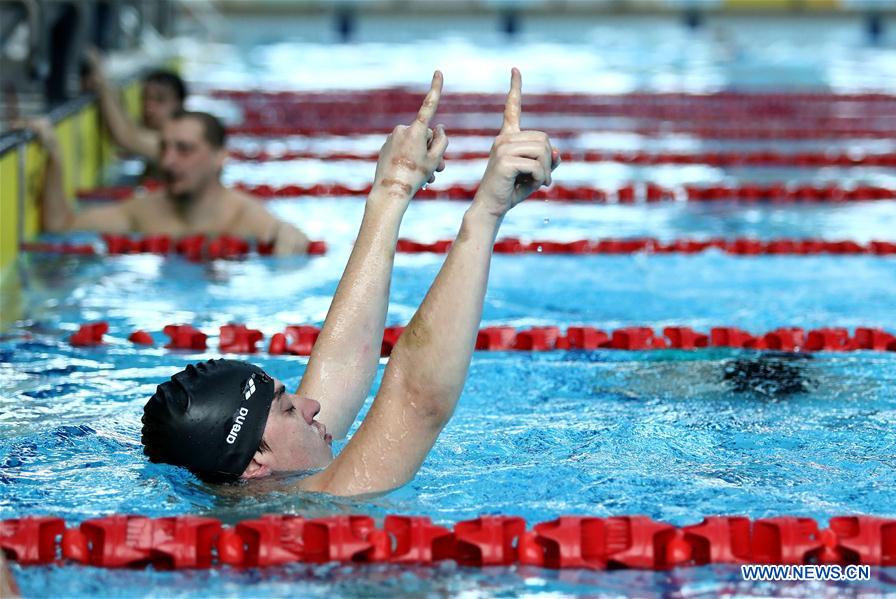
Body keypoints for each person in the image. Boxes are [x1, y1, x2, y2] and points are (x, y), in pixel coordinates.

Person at [141, 69, 561, 496]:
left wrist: (392, 189)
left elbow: (342, 365)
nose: (313, 404)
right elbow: (417, 403)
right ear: (255, 463)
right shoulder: (320, 504)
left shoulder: (269, 483)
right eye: (289, 409)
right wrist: (486, 212)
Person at [29, 110, 310, 254]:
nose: (168, 162)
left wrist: (288, 235)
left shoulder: (247, 219)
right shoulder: (142, 212)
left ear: (219, 157)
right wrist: (54, 155)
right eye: (164, 148)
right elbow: (60, 226)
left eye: (184, 149)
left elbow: (291, 240)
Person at [83, 48, 186, 162]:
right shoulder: (152, 131)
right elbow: (128, 127)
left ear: (179, 104)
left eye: (160, 100)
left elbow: (124, 137)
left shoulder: (176, 143)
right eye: (144, 98)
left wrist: (102, 82)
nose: (149, 107)